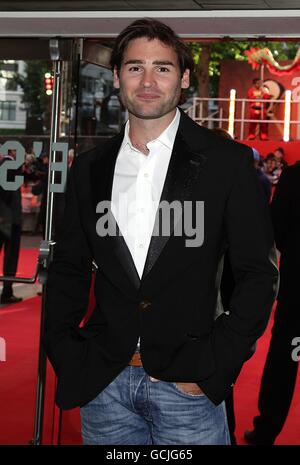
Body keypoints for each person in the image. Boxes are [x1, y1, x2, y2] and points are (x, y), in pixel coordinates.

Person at [44, 18, 278, 445]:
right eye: (135, 67)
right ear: (117, 77)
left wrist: (215, 364)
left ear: (184, 78)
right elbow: (68, 270)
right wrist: (66, 352)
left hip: (188, 385)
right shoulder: (89, 170)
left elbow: (259, 276)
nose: (148, 81)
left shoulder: (227, 163)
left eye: (163, 68)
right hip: (104, 382)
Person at [244, 162, 300, 445]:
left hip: (297, 288)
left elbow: (275, 228)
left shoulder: (295, 174)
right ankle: (265, 429)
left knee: (285, 360)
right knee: (283, 361)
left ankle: (266, 430)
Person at [0, 148, 23, 304]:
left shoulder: (3, 165)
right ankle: (7, 292)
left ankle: (8, 292)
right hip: (11, 219)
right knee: (11, 257)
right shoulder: (11, 166)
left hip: (3, 217)